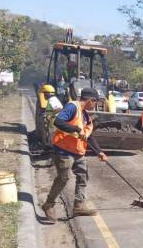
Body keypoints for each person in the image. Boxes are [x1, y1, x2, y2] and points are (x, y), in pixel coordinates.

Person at [42, 87, 108, 221]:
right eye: (95, 102)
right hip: (63, 150)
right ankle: (48, 204)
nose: (95, 105)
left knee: (83, 175)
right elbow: (58, 121)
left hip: (78, 151)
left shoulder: (86, 116)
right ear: (91, 100)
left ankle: (79, 205)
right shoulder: (73, 107)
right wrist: (77, 129)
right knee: (64, 178)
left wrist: (99, 152)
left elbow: (89, 136)